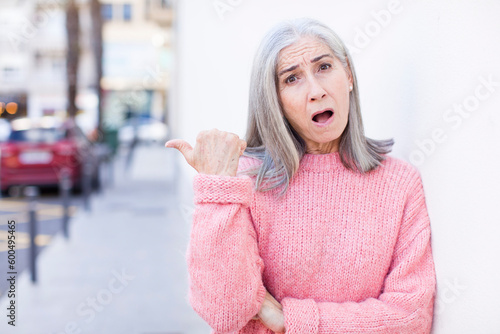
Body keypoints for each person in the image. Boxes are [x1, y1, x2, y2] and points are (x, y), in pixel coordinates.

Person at [166, 18, 436, 334]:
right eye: (292, 78)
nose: (316, 91)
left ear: (348, 74)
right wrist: (219, 190)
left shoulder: (400, 183)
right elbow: (225, 313)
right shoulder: (243, 182)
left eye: (324, 67)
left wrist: (290, 321)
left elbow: (410, 319)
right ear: (275, 101)